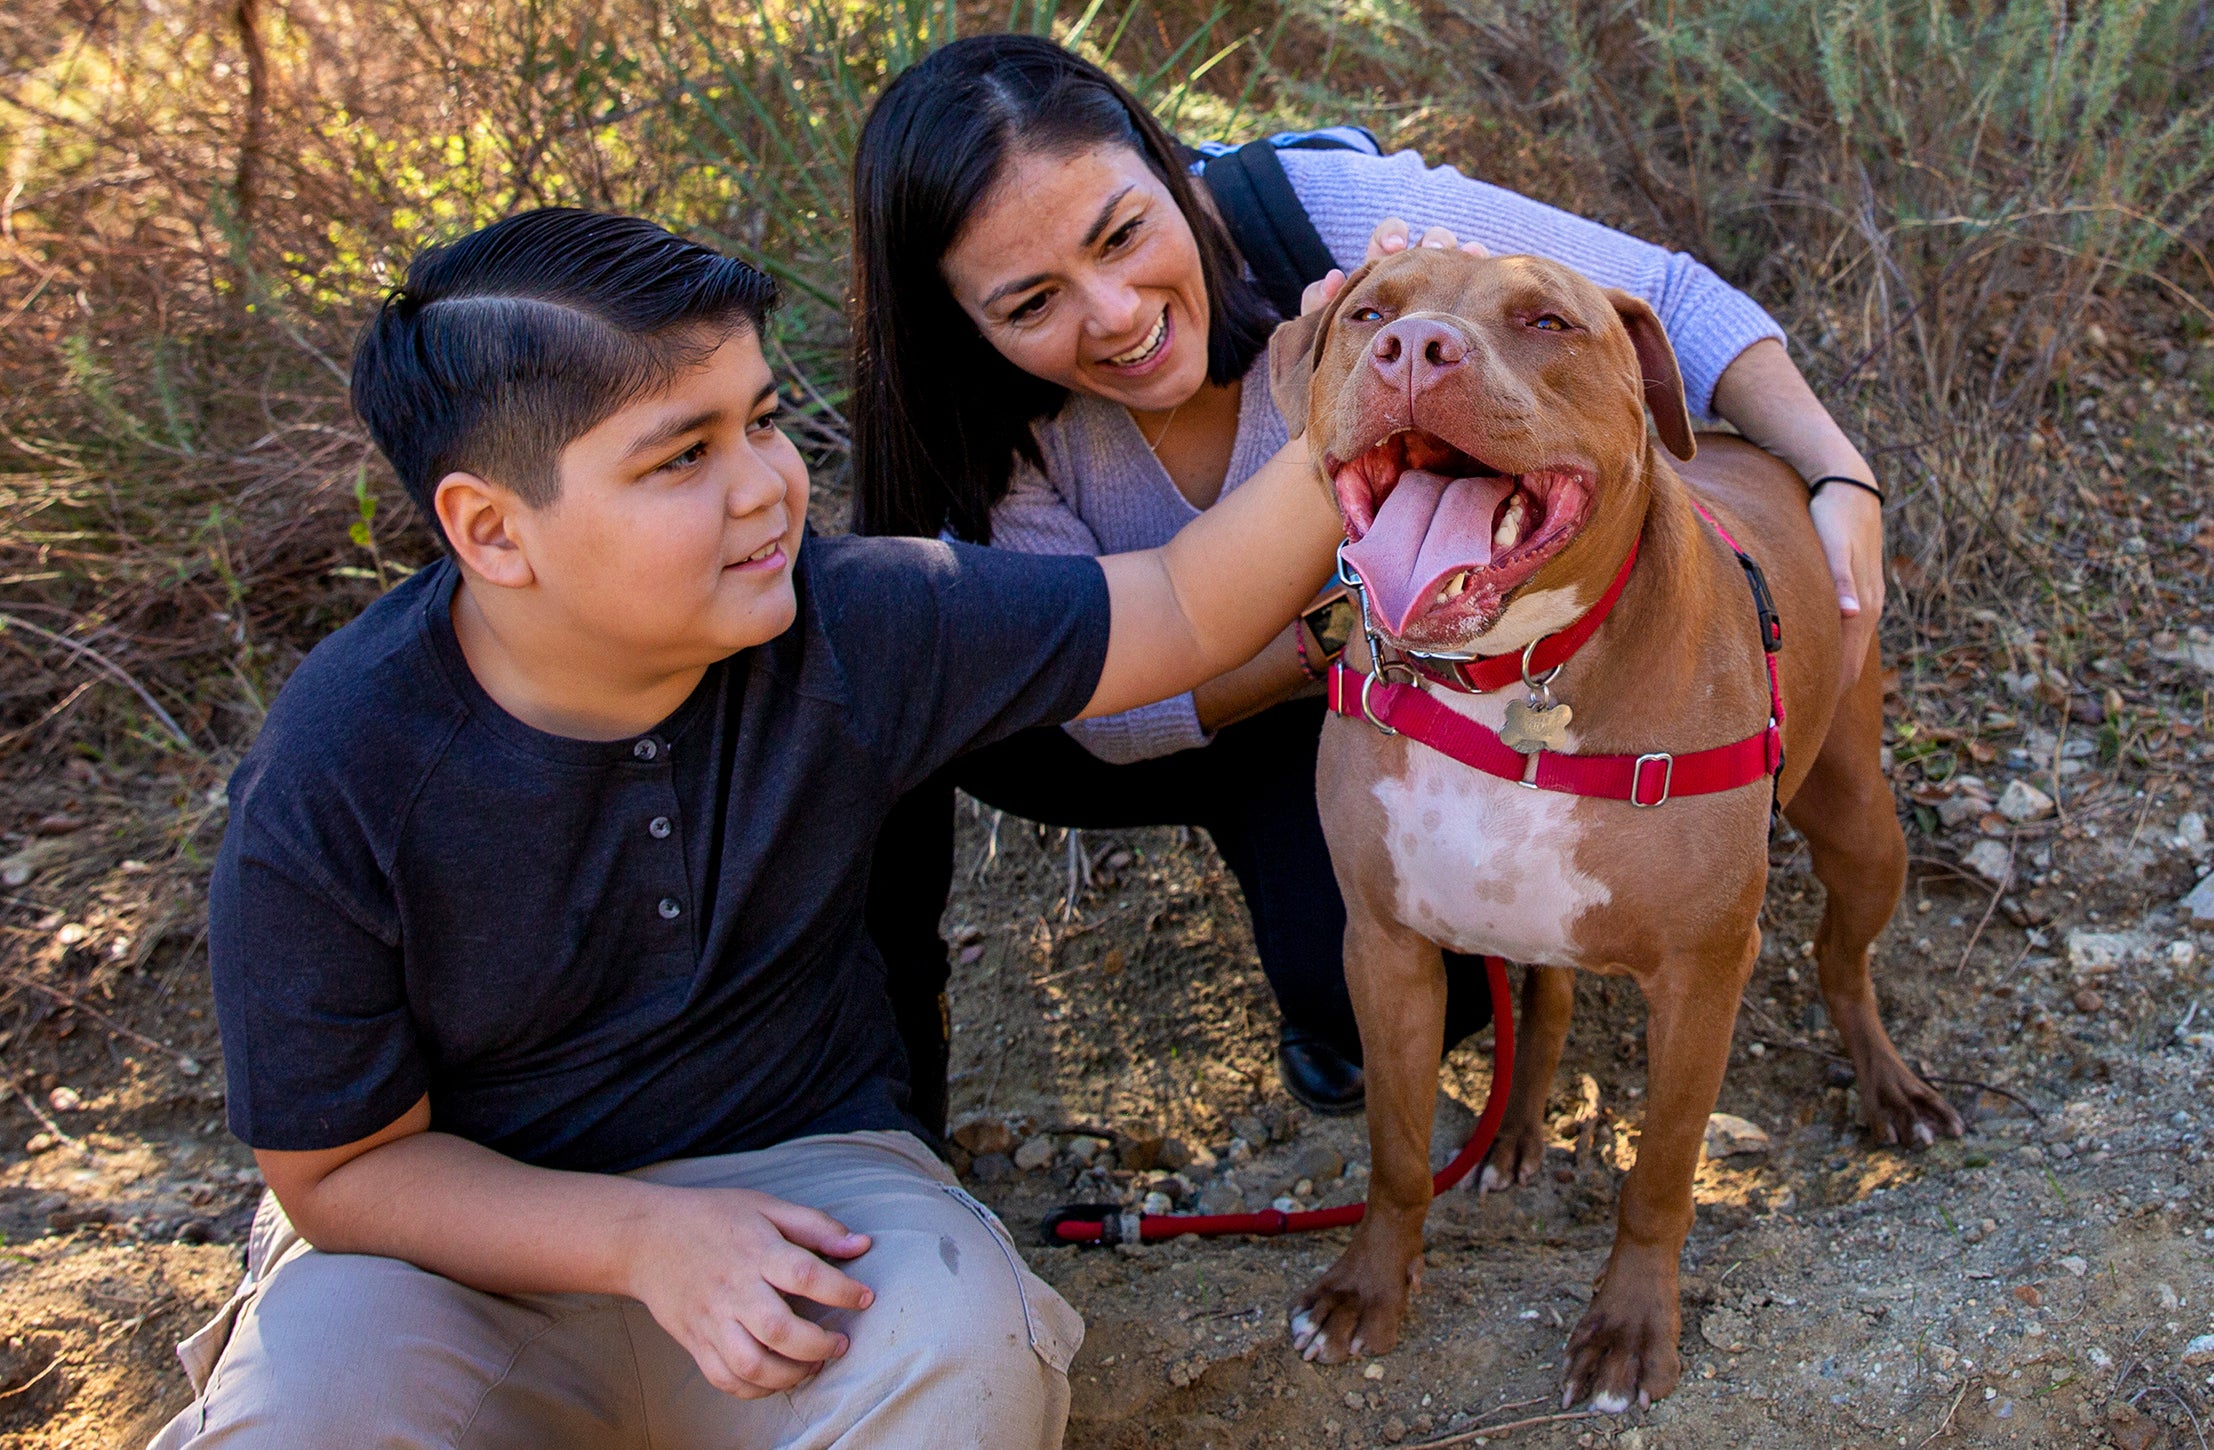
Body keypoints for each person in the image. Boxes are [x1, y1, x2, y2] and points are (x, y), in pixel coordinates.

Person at [148, 208, 1346, 1449]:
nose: (769, 486)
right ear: (493, 529)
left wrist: (1347, 424)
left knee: (960, 1357)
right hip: (448, 1252)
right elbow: (337, 1172)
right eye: (683, 457)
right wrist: (640, 1238)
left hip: (807, 1181)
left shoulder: (853, 623)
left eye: (764, 422)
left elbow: (1183, 603)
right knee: (301, 1420)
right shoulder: (336, 771)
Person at [851, 34, 1891, 1127]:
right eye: (1029, 304)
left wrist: (1837, 470)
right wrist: (1336, 617)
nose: (1114, 312)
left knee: (1386, 996)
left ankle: (1335, 963)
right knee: (930, 671)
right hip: (1204, 695)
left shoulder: (1330, 219)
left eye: (1123, 233)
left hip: (1365, 672)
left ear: (1169, 169)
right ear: (961, 325)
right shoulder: (975, 431)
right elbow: (1120, 710)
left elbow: (1666, 297)